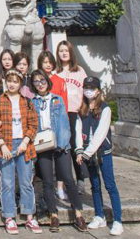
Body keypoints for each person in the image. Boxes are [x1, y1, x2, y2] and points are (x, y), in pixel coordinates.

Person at [30, 70, 87, 233]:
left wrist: (63, 143)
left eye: (42, 80)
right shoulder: (32, 102)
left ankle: (78, 213)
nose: (40, 84)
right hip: (43, 143)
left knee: (68, 178)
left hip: (60, 143)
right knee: (48, 181)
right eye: (36, 81)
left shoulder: (57, 99)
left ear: (47, 81)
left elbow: (64, 122)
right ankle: (53, 214)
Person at [0, 70, 42, 234]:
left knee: (26, 182)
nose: (12, 84)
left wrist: (26, 141)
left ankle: (29, 216)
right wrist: (2, 144)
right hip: (6, 144)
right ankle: (9, 216)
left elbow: (34, 124)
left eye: (15, 81)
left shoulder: (27, 101)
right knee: (7, 183)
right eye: (9, 81)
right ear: (6, 82)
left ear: (20, 84)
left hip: (24, 145)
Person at [75, 77, 123, 236]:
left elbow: (101, 133)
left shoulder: (105, 108)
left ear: (98, 91)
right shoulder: (82, 109)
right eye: (86, 88)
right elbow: (78, 130)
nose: (88, 91)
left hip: (102, 152)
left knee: (110, 185)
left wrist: (87, 153)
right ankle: (99, 215)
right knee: (95, 185)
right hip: (87, 152)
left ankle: (117, 220)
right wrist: (79, 149)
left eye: (92, 88)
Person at [56, 40, 88, 196]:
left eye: (66, 50)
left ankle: (80, 178)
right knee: (63, 147)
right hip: (61, 113)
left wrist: (85, 107)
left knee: (76, 145)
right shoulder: (55, 72)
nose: (64, 53)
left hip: (76, 111)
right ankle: (64, 181)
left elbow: (86, 89)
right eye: (61, 51)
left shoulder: (79, 70)